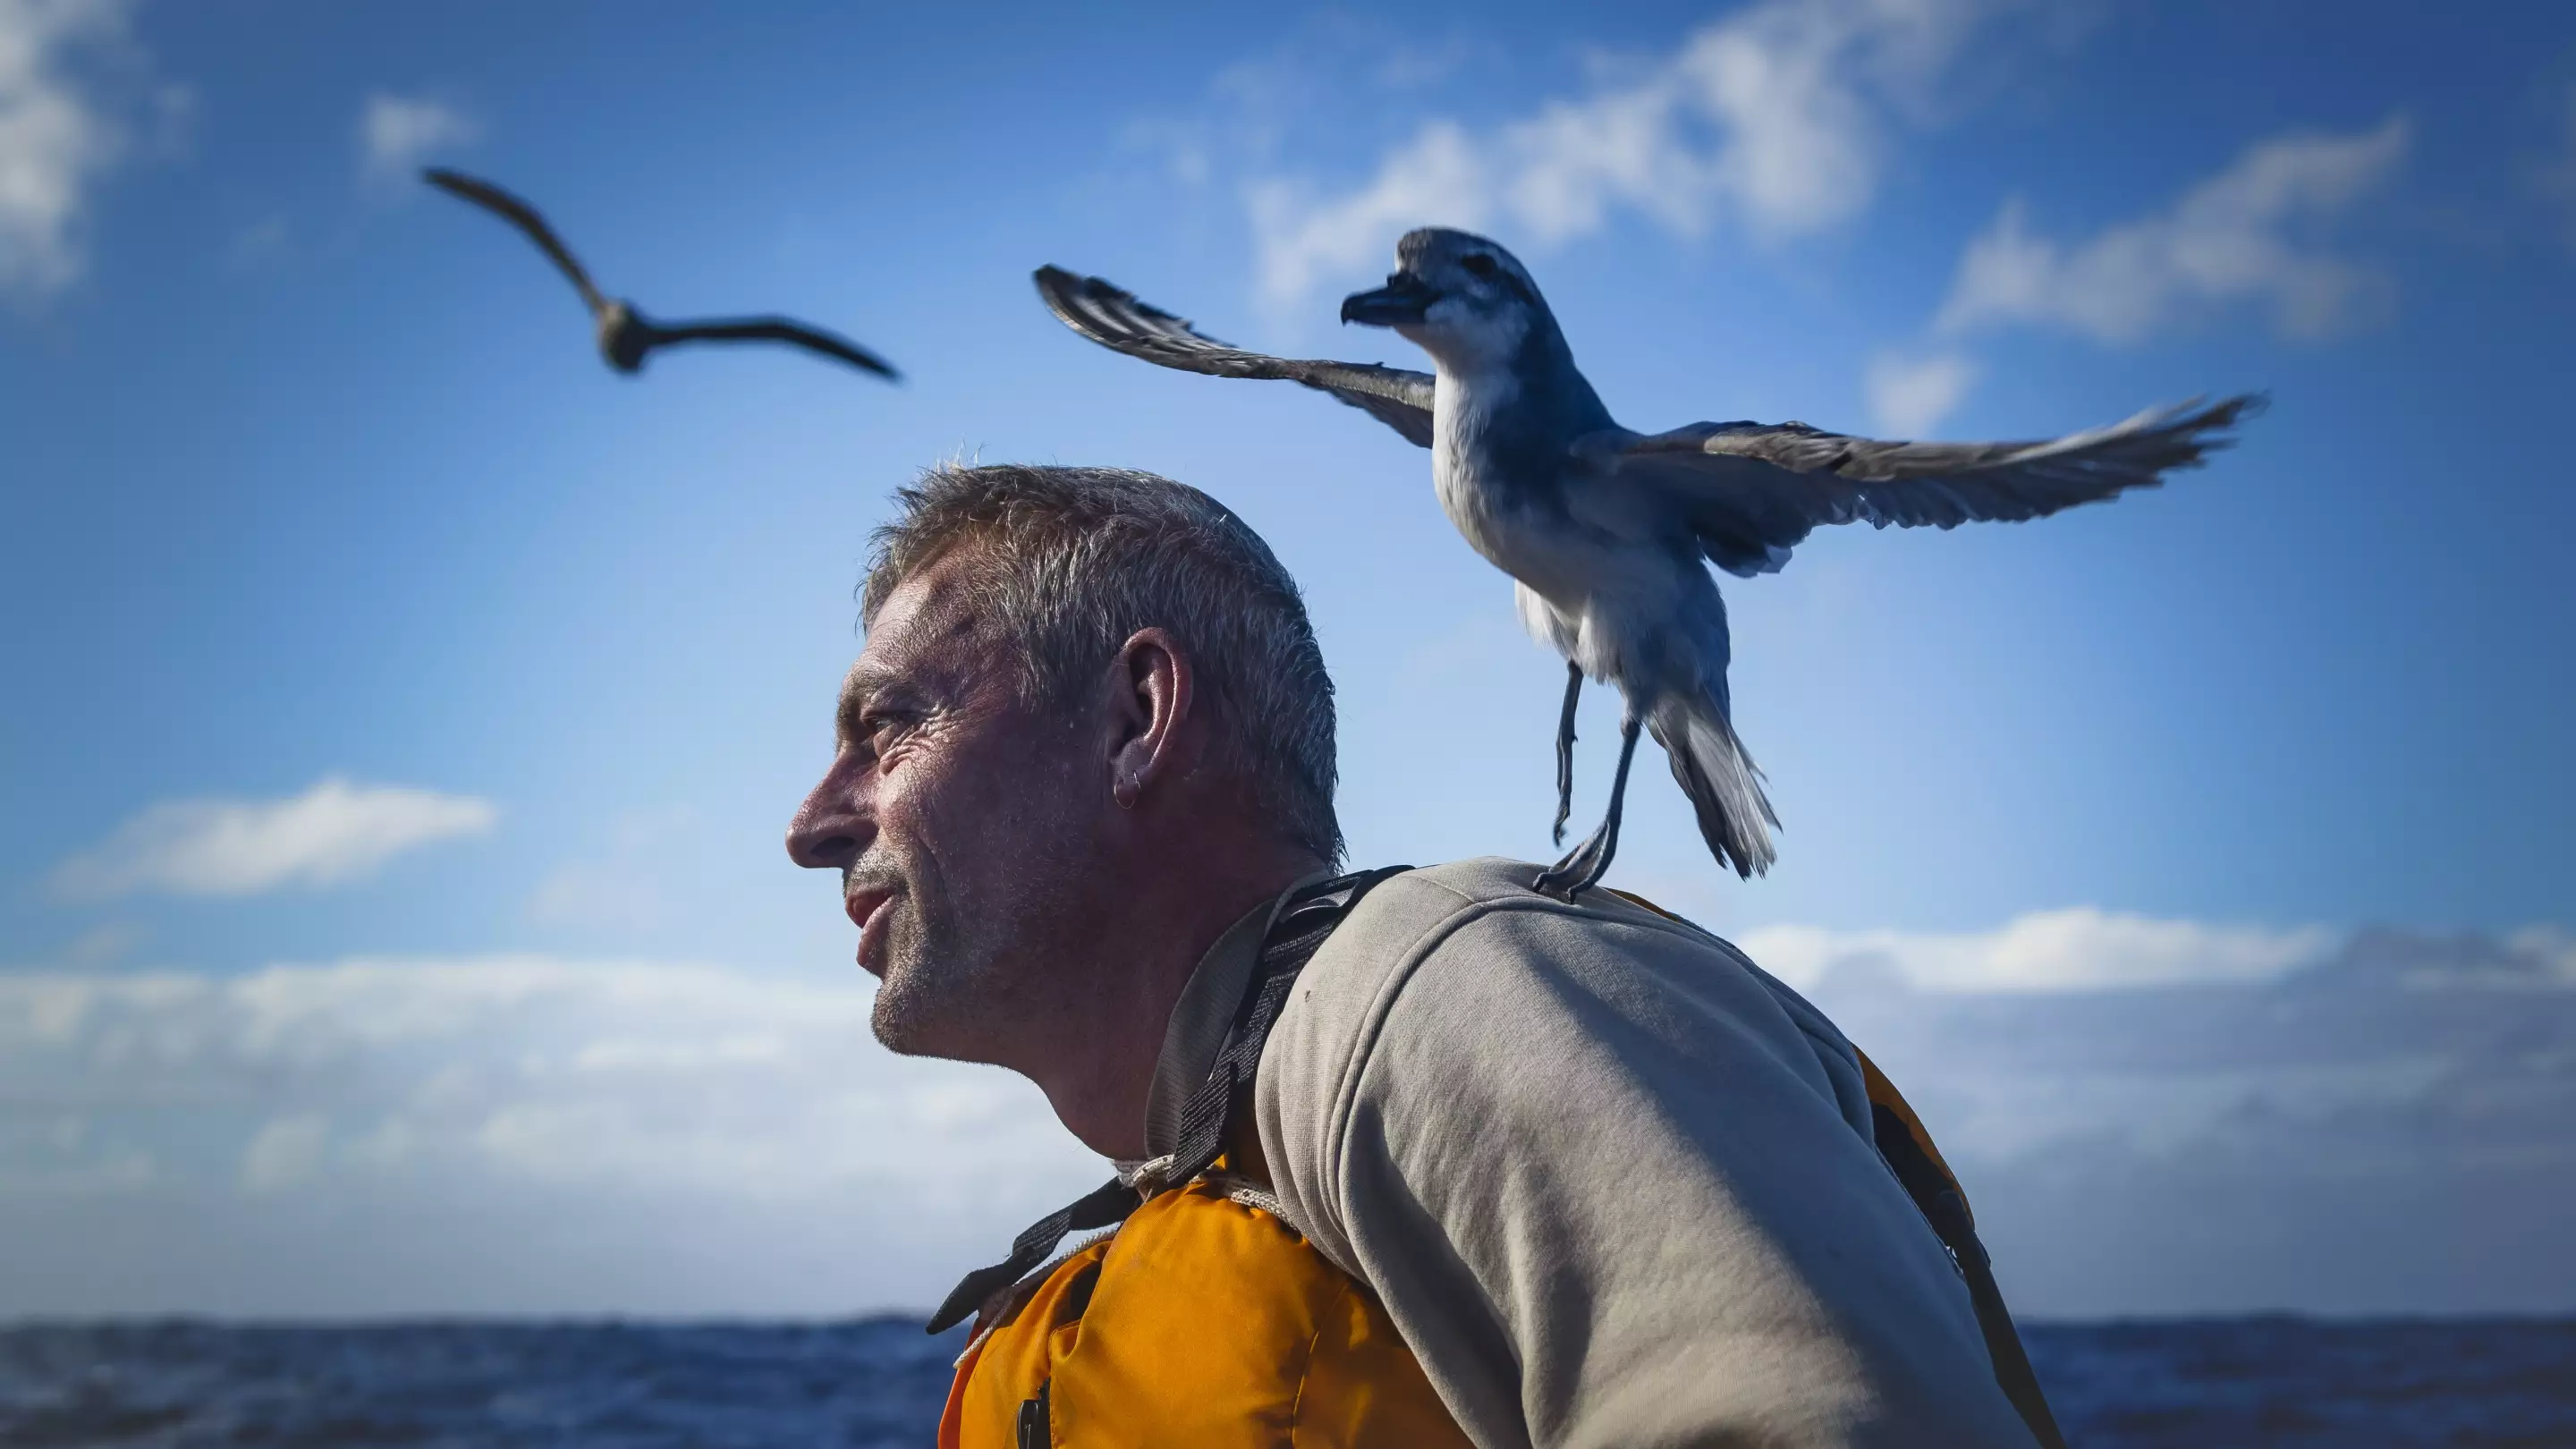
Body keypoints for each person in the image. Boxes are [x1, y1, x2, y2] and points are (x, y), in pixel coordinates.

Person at [785, 462, 2046, 1449]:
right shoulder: (1243, 1143)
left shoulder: (1447, 989)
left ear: (1134, 718)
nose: (812, 827)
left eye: (889, 727)